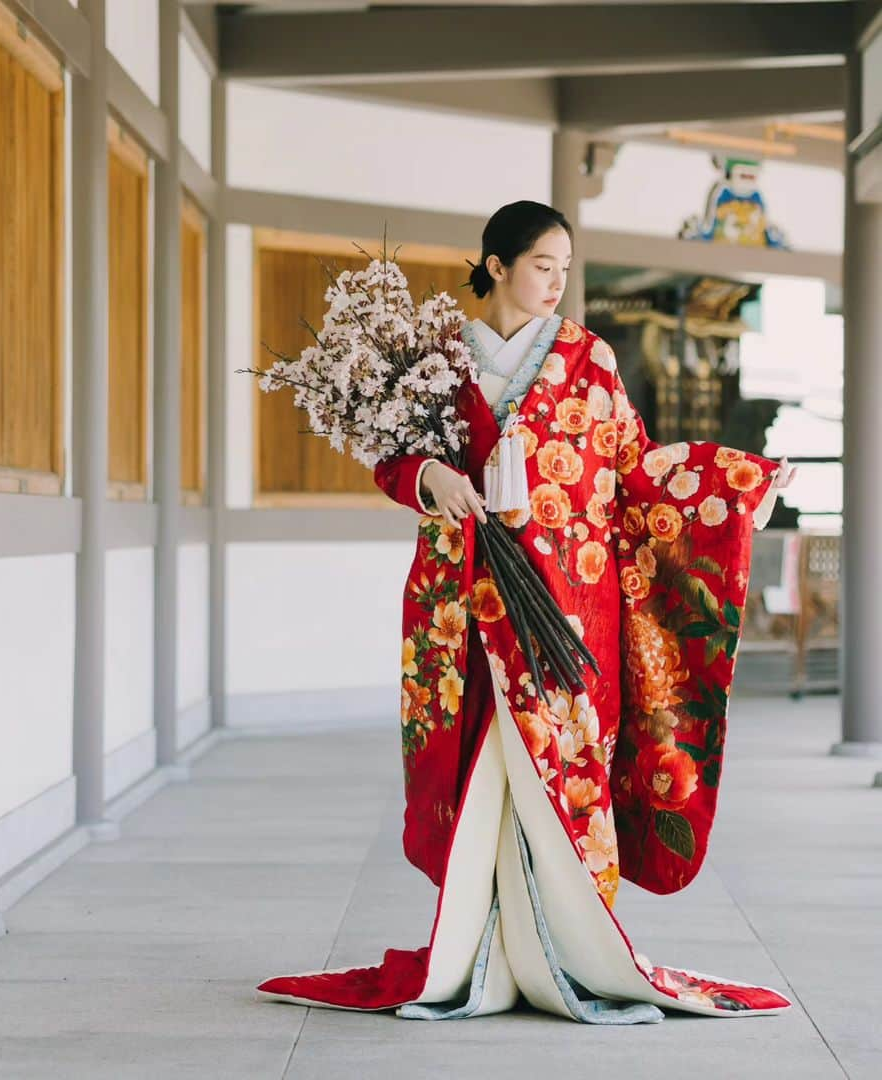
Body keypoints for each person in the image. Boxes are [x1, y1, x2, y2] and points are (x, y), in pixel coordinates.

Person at [257, 200, 797, 1022]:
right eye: (543, 265)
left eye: (566, 269)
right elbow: (394, 456)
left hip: (566, 607)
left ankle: (567, 949)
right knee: (480, 771)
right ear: (498, 265)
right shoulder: (434, 358)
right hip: (465, 600)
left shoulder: (590, 358)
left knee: (560, 779)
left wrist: (735, 480)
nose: (557, 283)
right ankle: (476, 952)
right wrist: (425, 479)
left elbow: (637, 471)